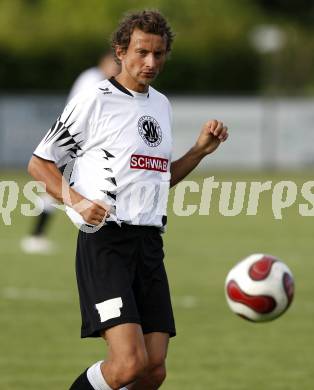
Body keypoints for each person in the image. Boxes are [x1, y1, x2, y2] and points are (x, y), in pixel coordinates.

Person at [28, 10, 228, 390]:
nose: (150, 62)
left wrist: (199, 151)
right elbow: (39, 163)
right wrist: (78, 201)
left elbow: (158, 180)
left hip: (149, 244)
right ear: (121, 51)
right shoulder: (95, 99)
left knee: (153, 371)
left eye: (158, 53)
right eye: (141, 52)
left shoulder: (161, 105)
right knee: (127, 364)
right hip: (107, 243)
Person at [21, 52, 120, 254]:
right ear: (104, 63)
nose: (116, 69)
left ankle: (37, 236)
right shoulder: (93, 79)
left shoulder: (98, 79)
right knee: (56, 189)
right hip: (75, 144)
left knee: (61, 190)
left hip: (80, 144)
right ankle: (35, 236)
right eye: (114, 65)